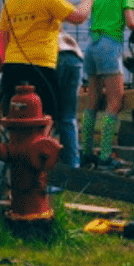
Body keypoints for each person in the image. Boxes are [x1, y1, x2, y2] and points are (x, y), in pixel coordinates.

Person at [0, 0, 101, 130]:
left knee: (15, 114)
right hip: (40, 66)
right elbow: (80, 16)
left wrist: (10, 60)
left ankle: (16, 150)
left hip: (12, 65)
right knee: (46, 116)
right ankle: (40, 152)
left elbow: (4, 37)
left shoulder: (10, 1)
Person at [81, 0, 134, 169]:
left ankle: (86, 152)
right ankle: (106, 155)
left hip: (91, 46)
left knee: (92, 101)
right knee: (116, 101)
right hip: (110, 45)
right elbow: (130, 21)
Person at [55, 29, 85, 167]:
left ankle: (48, 168)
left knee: (46, 114)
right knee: (68, 117)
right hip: (75, 58)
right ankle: (73, 165)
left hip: (54, 56)